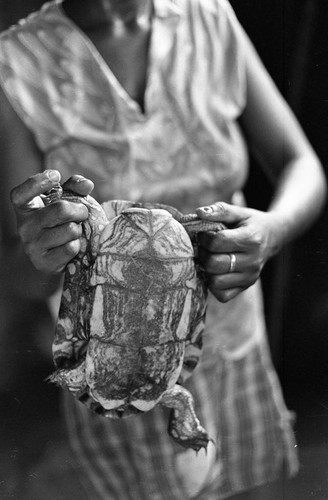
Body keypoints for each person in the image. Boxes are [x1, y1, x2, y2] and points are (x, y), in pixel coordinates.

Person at [0, 0, 326, 498]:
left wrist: (272, 229)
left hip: (232, 336)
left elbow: (300, 161)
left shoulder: (208, 16)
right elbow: (20, 271)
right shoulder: (15, 63)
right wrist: (41, 252)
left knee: (244, 485)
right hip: (109, 347)